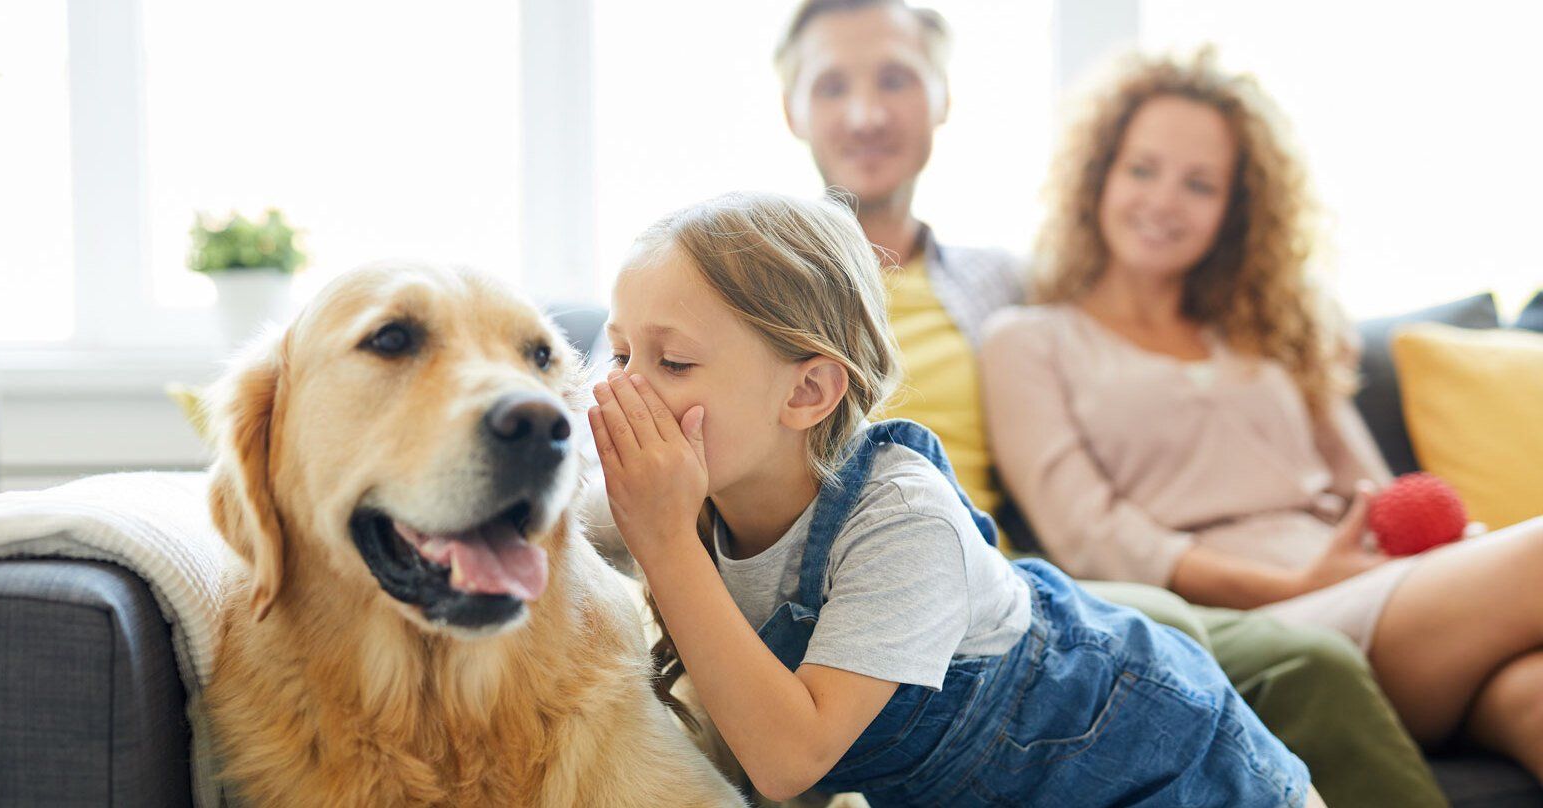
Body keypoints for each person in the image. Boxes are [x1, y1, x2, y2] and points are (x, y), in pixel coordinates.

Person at [774, 1, 1444, 804]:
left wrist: (1285, 327)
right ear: (791, 107)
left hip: (1003, 575)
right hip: (859, 581)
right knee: (1185, 632)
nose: (867, 112)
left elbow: (1120, 316)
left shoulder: (1000, 285)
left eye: (896, 80)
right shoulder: (753, 277)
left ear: (943, 97)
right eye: (832, 85)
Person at [589, 189, 1316, 807]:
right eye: (619, 354)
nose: (623, 388)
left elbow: (789, 759)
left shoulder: (902, 520)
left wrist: (666, 542)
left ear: (807, 392)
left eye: (673, 361)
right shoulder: (685, 487)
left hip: (1164, 765)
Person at [981, 48, 1543, 781]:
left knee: (1533, 695)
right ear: (1099, 177)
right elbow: (1094, 540)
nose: (1163, 201)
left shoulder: (1268, 333)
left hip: (1376, 594)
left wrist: (1444, 554)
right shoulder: (1029, 339)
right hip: (1262, 624)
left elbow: (1372, 493)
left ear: (1235, 208)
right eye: (1142, 169)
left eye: (1200, 184)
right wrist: (1296, 588)